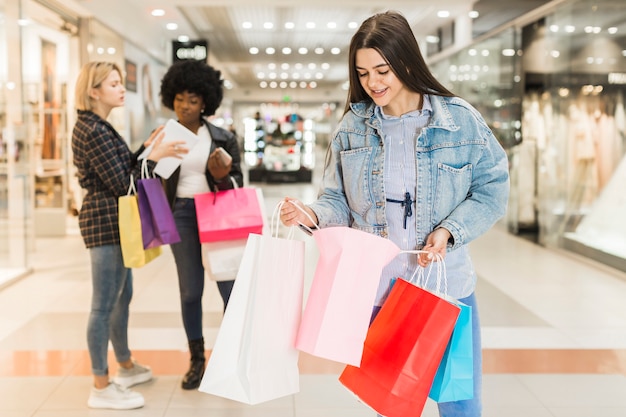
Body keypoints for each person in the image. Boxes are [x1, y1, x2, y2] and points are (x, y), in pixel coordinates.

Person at [279, 11, 510, 417]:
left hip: (445, 288)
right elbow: (336, 199)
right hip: (379, 290)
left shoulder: (459, 121)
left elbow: (492, 189)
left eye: (382, 70)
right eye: (363, 72)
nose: (373, 83)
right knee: (395, 404)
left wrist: (449, 231)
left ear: (406, 61)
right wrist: (309, 213)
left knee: (461, 405)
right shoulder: (354, 125)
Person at [72, 61, 185, 410]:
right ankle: (101, 384)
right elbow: (123, 183)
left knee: (122, 296)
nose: (122, 89)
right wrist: (154, 157)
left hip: (115, 223)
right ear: (94, 91)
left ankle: (124, 365)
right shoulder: (92, 130)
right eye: (114, 84)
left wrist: (145, 151)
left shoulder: (100, 126)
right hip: (106, 223)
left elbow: (122, 169)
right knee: (104, 305)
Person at [159, 59, 243, 390]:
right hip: (180, 213)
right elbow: (148, 176)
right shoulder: (165, 135)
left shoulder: (222, 138)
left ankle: (231, 359)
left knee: (228, 289)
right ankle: (197, 360)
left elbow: (237, 184)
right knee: (190, 290)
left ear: (205, 102)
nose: (185, 106)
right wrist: (153, 157)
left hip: (218, 210)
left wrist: (222, 178)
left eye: (193, 100)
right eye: (179, 98)